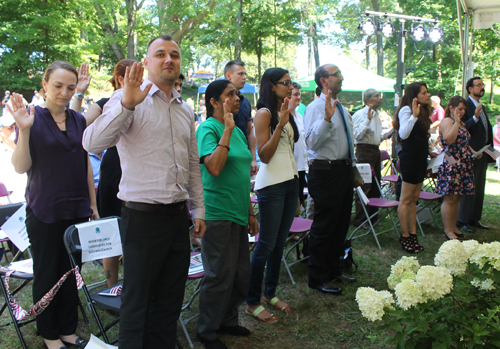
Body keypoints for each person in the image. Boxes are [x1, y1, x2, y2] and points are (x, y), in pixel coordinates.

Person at [83, 35, 205, 349]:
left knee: (170, 299)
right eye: (160, 54)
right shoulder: (127, 98)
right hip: (142, 218)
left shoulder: (184, 109)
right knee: (137, 302)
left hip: (178, 218)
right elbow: (91, 143)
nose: (168, 60)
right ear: (146, 63)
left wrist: (199, 209)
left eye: (174, 55)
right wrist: (126, 104)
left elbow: (193, 162)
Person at [9, 61, 97, 349]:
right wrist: (23, 130)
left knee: (72, 274)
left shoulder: (78, 120)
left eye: (70, 87)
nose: (63, 92)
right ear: (45, 84)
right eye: (57, 85)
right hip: (44, 212)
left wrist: (92, 204)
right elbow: (21, 167)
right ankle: (50, 336)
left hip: (77, 211)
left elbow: (84, 162)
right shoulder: (31, 118)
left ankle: (68, 330)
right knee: (48, 275)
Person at [196, 80, 258, 349]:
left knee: (240, 274)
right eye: (230, 94)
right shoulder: (208, 129)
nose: (237, 99)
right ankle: (206, 330)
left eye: (238, 94)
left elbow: (242, 175)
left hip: (238, 212)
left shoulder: (239, 132)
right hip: (216, 212)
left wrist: (250, 213)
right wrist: (228, 132)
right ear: (213, 101)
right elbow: (214, 168)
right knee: (219, 274)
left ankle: (227, 320)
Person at [246, 68, 299, 322]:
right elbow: (265, 156)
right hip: (271, 186)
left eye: (291, 82)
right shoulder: (265, 114)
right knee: (266, 244)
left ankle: (270, 293)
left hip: (290, 183)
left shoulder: (284, 112)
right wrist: (281, 125)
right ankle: (252, 300)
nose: (290, 87)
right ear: (271, 85)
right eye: (285, 83)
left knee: (279, 243)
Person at [304, 64, 361, 295]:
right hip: (325, 173)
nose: (341, 77)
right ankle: (317, 277)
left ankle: (333, 270)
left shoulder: (343, 109)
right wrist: (326, 119)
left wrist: (353, 170)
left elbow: (349, 144)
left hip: (343, 172)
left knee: (339, 225)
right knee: (325, 225)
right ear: (324, 81)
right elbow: (311, 143)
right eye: (337, 74)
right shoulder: (315, 108)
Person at [81, 59, 137, 287]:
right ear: (121, 80)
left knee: (133, 234)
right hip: (114, 171)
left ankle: (134, 286)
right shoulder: (105, 102)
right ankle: (111, 287)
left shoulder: (144, 102)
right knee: (112, 234)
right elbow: (81, 125)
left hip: (135, 173)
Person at [393, 82, 433, 253]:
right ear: (415, 96)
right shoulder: (406, 111)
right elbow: (403, 134)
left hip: (420, 157)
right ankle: (405, 235)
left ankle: (413, 233)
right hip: (410, 158)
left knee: (414, 199)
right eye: (424, 92)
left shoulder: (423, 111)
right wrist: (414, 115)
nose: (428, 95)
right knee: (406, 199)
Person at [436, 96, 476, 240]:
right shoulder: (448, 121)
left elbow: (463, 142)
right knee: (450, 198)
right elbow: (449, 139)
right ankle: (447, 230)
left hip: (463, 163)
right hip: (451, 163)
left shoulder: (460, 123)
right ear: (451, 108)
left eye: (464, 109)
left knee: (458, 197)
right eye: (460, 108)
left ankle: (453, 227)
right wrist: (457, 123)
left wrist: (473, 152)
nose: (463, 111)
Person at [457, 76, 494, 232]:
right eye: (479, 85)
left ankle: (474, 218)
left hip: (482, 152)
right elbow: (462, 127)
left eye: (483, 84)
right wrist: (475, 117)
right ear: (470, 89)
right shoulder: (465, 106)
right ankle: (462, 220)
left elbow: (486, 128)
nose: (482, 87)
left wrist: (491, 151)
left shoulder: (480, 105)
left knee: (479, 187)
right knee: (469, 186)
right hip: (470, 153)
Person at [352, 88, 391, 228]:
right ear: (367, 100)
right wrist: (367, 121)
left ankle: (372, 218)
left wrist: (385, 136)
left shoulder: (376, 114)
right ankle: (360, 219)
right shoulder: (360, 114)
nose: (380, 98)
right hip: (364, 151)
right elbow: (356, 135)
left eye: (379, 96)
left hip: (375, 151)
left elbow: (375, 136)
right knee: (364, 186)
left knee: (375, 186)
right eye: (376, 96)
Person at [224, 60, 258, 176]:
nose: (244, 77)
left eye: (245, 74)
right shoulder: (219, 101)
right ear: (228, 76)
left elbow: (249, 131)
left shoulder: (246, 102)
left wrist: (253, 158)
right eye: (240, 74)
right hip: (226, 158)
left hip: (243, 157)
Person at [290, 82, 307, 206]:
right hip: (290, 168)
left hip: (302, 166)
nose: (298, 97)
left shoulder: (300, 116)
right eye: (295, 94)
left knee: (299, 201)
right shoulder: (283, 116)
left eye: (299, 94)